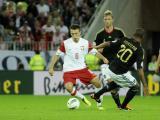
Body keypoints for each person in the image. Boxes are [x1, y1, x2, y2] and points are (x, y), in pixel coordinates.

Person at [48, 24, 108, 106]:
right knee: (68, 87)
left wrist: (104, 58)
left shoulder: (85, 43)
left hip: (82, 69)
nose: (74, 35)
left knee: (98, 83)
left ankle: (99, 102)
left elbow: (95, 52)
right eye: (72, 34)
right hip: (69, 70)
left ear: (80, 33)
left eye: (76, 33)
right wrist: (51, 67)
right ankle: (82, 97)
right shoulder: (65, 43)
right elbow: (57, 55)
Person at [91, 28, 149, 110]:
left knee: (116, 84)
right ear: (142, 38)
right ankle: (123, 106)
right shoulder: (139, 50)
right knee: (135, 87)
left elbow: (108, 43)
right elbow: (139, 69)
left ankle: (97, 95)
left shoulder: (125, 40)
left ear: (134, 34)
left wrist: (96, 47)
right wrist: (145, 86)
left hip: (110, 68)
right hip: (119, 73)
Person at [94, 10, 125, 109]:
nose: (107, 21)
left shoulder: (119, 33)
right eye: (105, 19)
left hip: (117, 63)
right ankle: (119, 105)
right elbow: (94, 49)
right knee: (111, 83)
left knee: (115, 87)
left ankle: (118, 105)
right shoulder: (100, 34)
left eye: (109, 19)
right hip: (105, 63)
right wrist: (99, 50)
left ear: (112, 20)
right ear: (103, 20)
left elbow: (125, 45)